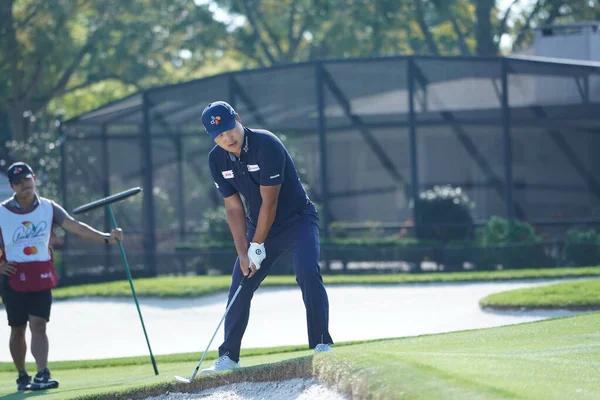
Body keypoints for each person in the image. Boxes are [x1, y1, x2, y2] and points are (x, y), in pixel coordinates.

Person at [199, 101, 334, 374]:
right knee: (240, 285)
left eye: (229, 129)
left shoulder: (266, 145)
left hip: (298, 221)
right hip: (257, 224)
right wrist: (242, 253)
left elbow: (268, 203)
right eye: (219, 135)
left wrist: (257, 245)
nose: (227, 138)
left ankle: (321, 343)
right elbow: (234, 208)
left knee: (307, 272)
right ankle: (229, 356)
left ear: (237, 119)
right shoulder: (216, 159)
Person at [0, 162, 124, 391]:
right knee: (17, 329)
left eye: (27, 179)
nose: (24, 185)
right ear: (12, 186)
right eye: (18, 182)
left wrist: (107, 238)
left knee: (39, 324)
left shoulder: (49, 208)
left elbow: (76, 227)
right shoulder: (2, 211)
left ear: (34, 178)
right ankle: (22, 375)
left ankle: (42, 373)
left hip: (41, 273)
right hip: (13, 277)